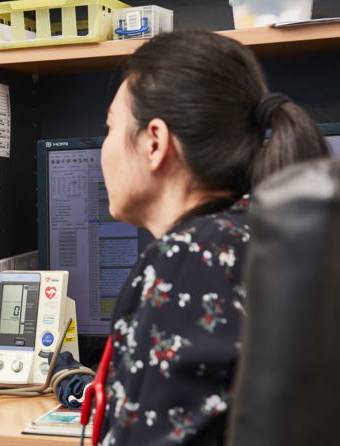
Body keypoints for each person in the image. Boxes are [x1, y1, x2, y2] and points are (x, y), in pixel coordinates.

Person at [96, 30, 328, 445]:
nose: (105, 147)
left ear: (154, 142)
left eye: (111, 127)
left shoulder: (187, 258)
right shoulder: (256, 236)